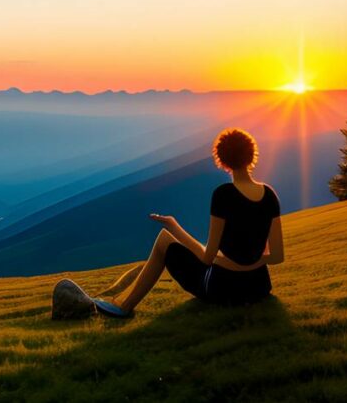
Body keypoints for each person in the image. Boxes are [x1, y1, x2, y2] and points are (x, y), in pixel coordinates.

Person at [93, 128, 285, 318]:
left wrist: (174, 226)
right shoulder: (269, 194)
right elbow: (277, 256)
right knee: (196, 251)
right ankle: (123, 303)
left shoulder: (223, 194)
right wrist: (248, 262)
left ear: (222, 161)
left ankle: (125, 307)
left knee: (164, 239)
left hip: (224, 289)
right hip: (259, 287)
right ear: (252, 155)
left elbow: (207, 258)